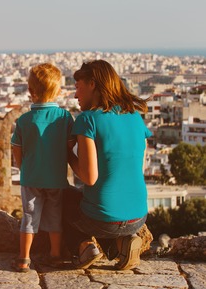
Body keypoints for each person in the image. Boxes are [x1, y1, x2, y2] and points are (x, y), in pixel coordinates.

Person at [64, 60, 152, 270]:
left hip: (103, 219)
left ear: (92, 84)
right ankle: (123, 243)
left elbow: (88, 177)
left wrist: (67, 152)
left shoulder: (88, 119)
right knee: (94, 205)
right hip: (138, 216)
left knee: (61, 197)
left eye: (78, 87)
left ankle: (84, 247)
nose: (76, 95)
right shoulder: (135, 116)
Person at [11, 63, 74, 272]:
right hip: (56, 177)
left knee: (29, 216)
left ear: (30, 91)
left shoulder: (24, 120)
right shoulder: (65, 118)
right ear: (58, 91)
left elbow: (16, 148)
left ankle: (23, 258)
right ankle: (55, 254)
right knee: (55, 215)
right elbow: (70, 145)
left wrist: (24, 168)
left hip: (31, 177)